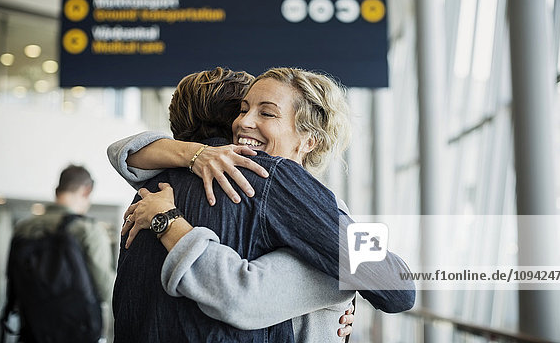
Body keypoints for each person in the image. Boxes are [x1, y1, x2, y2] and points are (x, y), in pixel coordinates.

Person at [111, 67, 415, 342]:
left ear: (309, 140)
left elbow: (122, 152)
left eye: (267, 113)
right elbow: (243, 295)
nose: (244, 121)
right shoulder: (267, 180)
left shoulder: (151, 188)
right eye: (242, 110)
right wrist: (345, 288)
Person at [8, 165, 115, 341]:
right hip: (77, 332)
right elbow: (107, 289)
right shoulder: (88, 230)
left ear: (57, 190)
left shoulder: (23, 228)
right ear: (86, 191)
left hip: (33, 331)